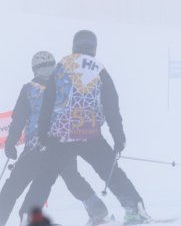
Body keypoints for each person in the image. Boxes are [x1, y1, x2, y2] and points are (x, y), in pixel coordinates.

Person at [26, 30, 152, 225]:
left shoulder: (60, 68)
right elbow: (111, 106)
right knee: (110, 171)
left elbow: (47, 105)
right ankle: (134, 209)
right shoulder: (100, 70)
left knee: (45, 176)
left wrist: (43, 135)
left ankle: (30, 217)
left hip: (60, 136)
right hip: (90, 134)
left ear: (74, 46)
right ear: (94, 48)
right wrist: (118, 137)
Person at [0, 51, 109, 226]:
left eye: (50, 65)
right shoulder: (56, 87)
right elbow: (19, 119)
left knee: (15, 184)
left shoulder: (40, 89)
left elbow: (19, 119)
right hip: (54, 146)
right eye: (43, 66)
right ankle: (96, 208)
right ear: (35, 70)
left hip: (44, 146)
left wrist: (11, 143)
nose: (47, 69)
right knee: (70, 177)